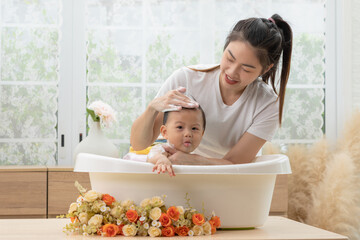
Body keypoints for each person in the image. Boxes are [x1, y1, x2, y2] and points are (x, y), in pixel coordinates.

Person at [130, 14, 292, 165]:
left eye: (246, 69)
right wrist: (153, 108)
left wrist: (192, 160)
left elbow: (235, 162)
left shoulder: (267, 103)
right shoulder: (186, 79)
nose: (232, 72)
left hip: (230, 179)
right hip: (178, 171)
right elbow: (138, 144)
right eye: (230, 58)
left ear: (265, 69)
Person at [147, 106, 206, 176]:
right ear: (165, 132)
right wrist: (161, 160)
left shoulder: (196, 157)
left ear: (202, 133)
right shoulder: (164, 149)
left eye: (194, 128)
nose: (188, 134)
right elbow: (152, 155)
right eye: (180, 127)